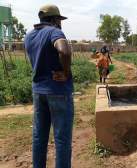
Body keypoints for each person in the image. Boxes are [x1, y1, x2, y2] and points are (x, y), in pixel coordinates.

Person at [24, 4, 73, 168]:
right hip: (58, 91)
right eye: (59, 20)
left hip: (38, 91)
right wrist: (65, 72)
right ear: (54, 19)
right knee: (62, 139)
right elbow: (64, 51)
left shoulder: (29, 36)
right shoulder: (54, 32)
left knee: (39, 136)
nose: (60, 23)